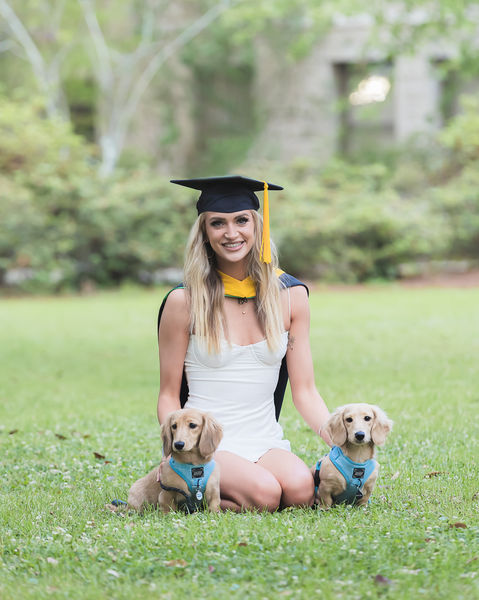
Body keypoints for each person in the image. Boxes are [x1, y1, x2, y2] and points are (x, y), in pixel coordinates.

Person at [157, 175, 331, 511]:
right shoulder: (185, 302)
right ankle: (183, 484)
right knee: (265, 494)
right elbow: (168, 394)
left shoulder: (291, 296)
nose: (231, 233)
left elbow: (306, 391)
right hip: (204, 443)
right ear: (204, 233)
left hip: (264, 439)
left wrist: (341, 445)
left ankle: (210, 497)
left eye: (241, 220)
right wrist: (178, 452)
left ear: (258, 225)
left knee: (300, 491)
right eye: (217, 223)